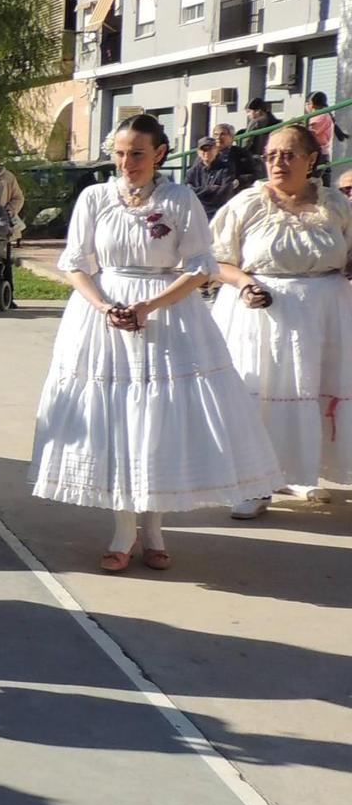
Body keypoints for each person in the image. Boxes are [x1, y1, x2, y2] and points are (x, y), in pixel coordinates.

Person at [31, 114, 280, 570]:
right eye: (120, 154)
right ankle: (124, 530)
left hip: (167, 318)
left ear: (160, 153)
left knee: (157, 419)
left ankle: (153, 527)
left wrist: (149, 306)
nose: (127, 163)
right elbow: (76, 263)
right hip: (102, 317)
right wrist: (104, 306)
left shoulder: (180, 198)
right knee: (116, 421)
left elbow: (200, 266)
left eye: (138, 154)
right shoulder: (95, 197)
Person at [209, 126, 352, 517]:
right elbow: (218, 259)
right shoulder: (247, 204)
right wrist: (244, 284)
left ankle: (302, 474)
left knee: (314, 390)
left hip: (325, 314)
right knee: (261, 394)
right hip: (262, 314)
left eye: (288, 155)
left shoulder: (336, 205)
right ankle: (254, 483)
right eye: (271, 155)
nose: (277, 162)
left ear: (312, 160)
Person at [186, 136, 239, 215]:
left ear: (216, 150)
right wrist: (211, 189)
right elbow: (188, 192)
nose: (206, 152)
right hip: (197, 212)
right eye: (203, 149)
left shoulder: (226, 169)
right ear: (198, 152)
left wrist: (199, 192)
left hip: (218, 213)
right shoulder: (193, 171)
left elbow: (224, 193)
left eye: (210, 149)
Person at [214, 123, 259, 188]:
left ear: (232, 138)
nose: (218, 137)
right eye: (215, 134)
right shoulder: (206, 154)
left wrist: (239, 181)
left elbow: (254, 175)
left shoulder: (241, 153)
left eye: (223, 134)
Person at [308, 91, 339, 157]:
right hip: (315, 152)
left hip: (319, 154)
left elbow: (310, 130)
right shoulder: (315, 116)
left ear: (312, 104)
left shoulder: (323, 115)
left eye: (307, 104)